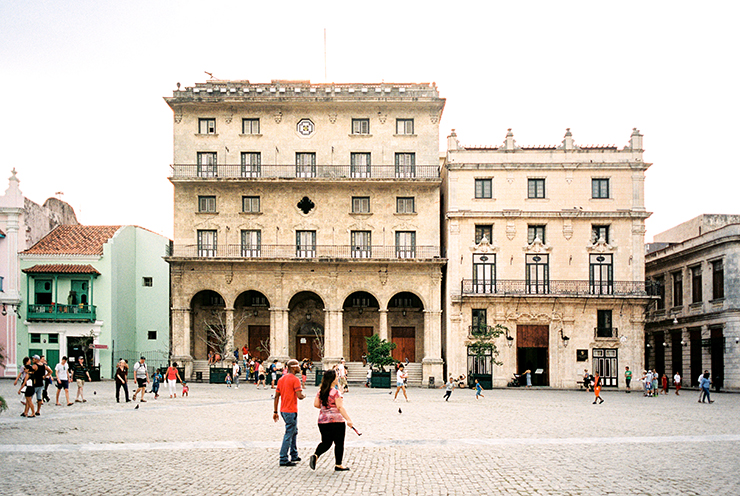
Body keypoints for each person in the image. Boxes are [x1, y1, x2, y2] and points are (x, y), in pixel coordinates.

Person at [309, 369, 353, 472]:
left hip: (323, 420)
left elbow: (316, 404)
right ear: (333, 379)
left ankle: (316, 455)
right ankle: (338, 464)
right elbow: (340, 407)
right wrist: (348, 419)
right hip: (336, 421)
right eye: (336, 377)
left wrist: (326, 407)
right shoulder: (335, 392)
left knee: (326, 442)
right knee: (339, 443)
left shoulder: (321, 391)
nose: (338, 378)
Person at [273, 359, 306, 466]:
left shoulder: (281, 379)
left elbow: (277, 396)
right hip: (291, 410)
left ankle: (294, 454)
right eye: (298, 365)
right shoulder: (295, 380)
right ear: (293, 367)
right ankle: (283, 458)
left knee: (294, 431)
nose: (300, 367)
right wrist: (304, 395)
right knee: (289, 433)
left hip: (283, 410)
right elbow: (299, 396)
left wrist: (275, 411)